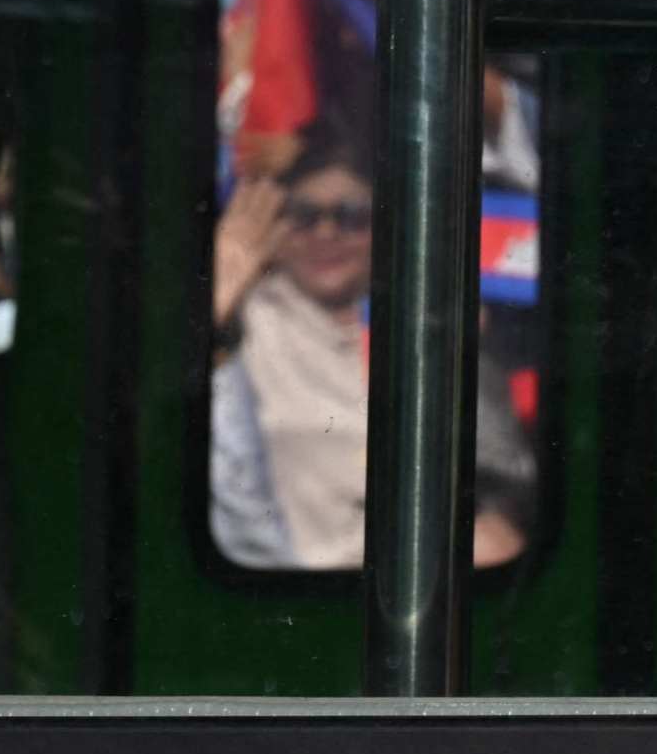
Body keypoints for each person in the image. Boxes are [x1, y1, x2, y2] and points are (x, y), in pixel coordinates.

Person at [210, 122, 529, 571]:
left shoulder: (429, 316)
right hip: (294, 577)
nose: (326, 233)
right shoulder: (247, 316)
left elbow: (506, 475)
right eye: (304, 216)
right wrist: (218, 308)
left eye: (351, 216)